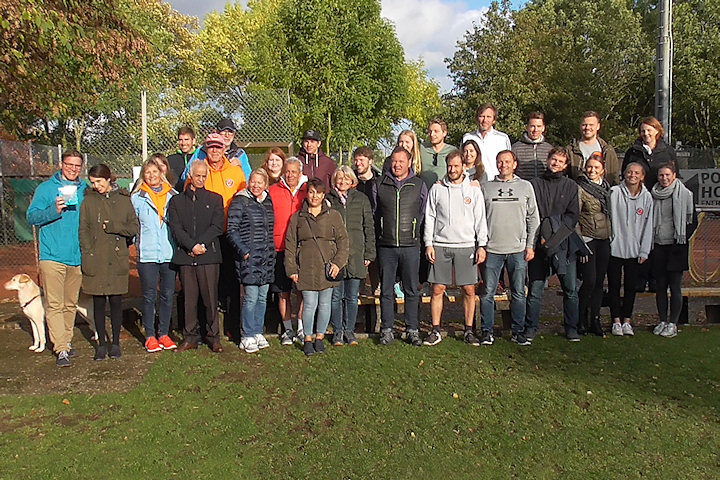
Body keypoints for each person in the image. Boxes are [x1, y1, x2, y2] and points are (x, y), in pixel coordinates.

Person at [27, 149, 88, 367]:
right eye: (69, 164)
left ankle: (66, 342)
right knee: (54, 304)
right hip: (52, 256)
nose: (73, 169)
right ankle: (60, 348)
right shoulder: (46, 189)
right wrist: (53, 210)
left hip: (77, 256)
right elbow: (31, 216)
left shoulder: (85, 189)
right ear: (61, 164)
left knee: (70, 304)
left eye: (77, 165)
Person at [423, 150, 487, 346]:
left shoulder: (474, 190)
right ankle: (435, 330)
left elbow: (480, 219)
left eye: (456, 166)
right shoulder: (437, 189)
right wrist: (428, 243)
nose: (452, 170)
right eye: (449, 166)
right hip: (441, 244)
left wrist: (481, 245)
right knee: (437, 289)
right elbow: (430, 217)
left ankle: (469, 330)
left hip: (466, 245)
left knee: (468, 289)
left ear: (464, 167)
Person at [525, 147, 587, 342]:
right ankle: (531, 328)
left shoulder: (571, 186)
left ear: (565, 165)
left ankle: (571, 328)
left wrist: (552, 240)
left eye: (560, 161)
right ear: (548, 160)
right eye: (553, 159)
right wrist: (542, 239)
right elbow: (531, 212)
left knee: (570, 289)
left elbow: (572, 217)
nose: (556, 163)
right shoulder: (534, 184)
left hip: (563, 244)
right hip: (538, 243)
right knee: (535, 290)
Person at [79, 164, 138, 361]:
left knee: (115, 301)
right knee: (98, 302)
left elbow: (133, 227)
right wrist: (88, 251)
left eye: (99, 181)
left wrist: (114, 227)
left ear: (108, 179)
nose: (96, 186)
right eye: (92, 182)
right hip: (96, 259)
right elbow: (83, 229)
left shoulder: (123, 200)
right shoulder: (88, 201)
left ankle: (116, 344)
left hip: (116, 258)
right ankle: (101, 344)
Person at [480, 150, 539, 346]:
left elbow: (533, 218)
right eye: (499, 162)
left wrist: (529, 245)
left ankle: (517, 331)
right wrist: (482, 245)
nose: (503, 165)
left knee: (519, 293)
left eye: (507, 161)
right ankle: (487, 331)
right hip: (492, 249)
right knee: (488, 293)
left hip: (517, 249)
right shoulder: (486, 187)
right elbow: (479, 218)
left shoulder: (525, 187)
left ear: (514, 164)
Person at [285, 178, 349, 356]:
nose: (314, 196)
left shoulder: (333, 216)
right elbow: (290, 245)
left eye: (318, 193)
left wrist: (338, 263)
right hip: (306, 267)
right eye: (311, 192)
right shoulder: (297, 218)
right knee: (309, 304)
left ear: (323, 195)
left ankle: (320, 337)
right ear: (307, 194)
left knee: (325, 304)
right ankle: (307, 338)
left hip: (327, 267)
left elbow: (343, 241)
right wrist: (292, 269)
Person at [372, 146, 428, 346]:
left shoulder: (419, 184)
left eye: (401, 161)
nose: (397, 165)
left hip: (410, 245)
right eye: (394, 161)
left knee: (411, 290)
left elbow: (422, 212)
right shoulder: (380, 183)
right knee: (386, 290)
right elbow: (375, 212)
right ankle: (387, 329)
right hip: (386, 245)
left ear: (409, 163)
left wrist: (414, 232)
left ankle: (412, 329)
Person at [168, 160, 226, 353]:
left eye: (203, 176)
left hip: (208, 255)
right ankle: (190, 337)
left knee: (210, 298)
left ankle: (213, 337)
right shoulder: (176, 201)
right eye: (197, 176)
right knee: (189, 299)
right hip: (186, 256)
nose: (200, 179)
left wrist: (201, 245)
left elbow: (217, 226)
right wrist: (190, 245)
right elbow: (176, 228)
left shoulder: (215, 199)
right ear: (190, 176)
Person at [195, 132, 247, 340]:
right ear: (206, 149)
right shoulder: (201, 171)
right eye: (211, 147)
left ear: (225, 148)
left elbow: (244, 199)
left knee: (232, 282)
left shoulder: (235, 171)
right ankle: (206, 329)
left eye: (218, 147)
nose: (215, 151)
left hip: (230, 234)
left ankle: (232, 328)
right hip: (208, 235)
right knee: (207, 284)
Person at [131, 156, 178, 353]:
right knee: (149, 296)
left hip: (169, 253)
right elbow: (133, 226)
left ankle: (164, 333)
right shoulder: (137, 198)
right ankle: (150, 335)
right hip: (147, 255)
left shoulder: (173, 196)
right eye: (147, 173)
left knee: (167, 295)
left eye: (155, 172)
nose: (151, 176)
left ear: (161, 173)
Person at [227, 168, 276, 353]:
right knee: (251, 297)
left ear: (265, 184)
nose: (256, 185)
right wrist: (244, 251)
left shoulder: (268, 201)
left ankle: (257, 331)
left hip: (266, 257)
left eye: (259, 182)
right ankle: (246, 334)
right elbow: (232, 230)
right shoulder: (240, 201)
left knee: (262, 297)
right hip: (249, 257)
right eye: (253, 182)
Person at [327, 166, 375, 346]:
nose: (343, 182)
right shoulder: (328, 200)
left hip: (356, 254)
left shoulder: (361, 199)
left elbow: (368, 227)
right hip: (335, 256)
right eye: (340, 178)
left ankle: (350, 331)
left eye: (346, 178)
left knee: (352, 297)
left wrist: (369, 253)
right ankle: (337, 331)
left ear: (352, 181)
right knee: (336, 297)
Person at [607, 162, 653, 336]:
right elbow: (608, 217)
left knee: (631, 287)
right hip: (614, 249)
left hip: (635, 251)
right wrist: (610, 241)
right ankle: (615, 321)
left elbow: (648, 225)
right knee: (613, 286)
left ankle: (627, 320)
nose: (632, 175)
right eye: (629, 172)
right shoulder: (614, 192)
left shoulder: (647, 197)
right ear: (624, 174)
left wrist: (644, 250)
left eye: (636, 173)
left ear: (642, 176)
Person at [650, 163, 695, 338]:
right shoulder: (653, 194)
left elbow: (692, 221)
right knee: (660, 286)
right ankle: (662, 320)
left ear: (674, 175)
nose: (664, 178)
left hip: (677, 247)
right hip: (658, 245)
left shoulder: (685, 194)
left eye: (668, 175)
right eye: (661, 175)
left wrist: (681, 238)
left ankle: (673, 323)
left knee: (675, 287)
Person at [269, 157, 308, 344]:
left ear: (300, 173)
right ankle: (287, 330)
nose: (290, 175)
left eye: (294, 172)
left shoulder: (307, 191)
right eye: (288, 171)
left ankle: (301, 328)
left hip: (302, 249)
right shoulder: (273, 191)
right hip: (279, 247)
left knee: (302, 291)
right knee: (283, 292)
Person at [576, 152, 612, 337]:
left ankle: (595, 320)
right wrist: (581, 244)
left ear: (602, 170)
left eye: (596, 167)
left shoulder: (608, 189)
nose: (592, 170)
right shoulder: (580, 188)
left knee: (599, 282)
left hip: (604, 239)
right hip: (588, 240)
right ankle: (580, 318)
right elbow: (575, 218)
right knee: (589, 281)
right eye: (589, 167)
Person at [622, 116, 678, 190]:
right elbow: (625, 175)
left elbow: (676, 174)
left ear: (657, 131)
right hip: (639, 193)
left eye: (649, 130)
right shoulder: (632, 152)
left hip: (663, 193)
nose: (646, 133)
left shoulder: (668, 151)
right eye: (643, 131)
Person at [566, 111, 621, 185]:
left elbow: (615, 177)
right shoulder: (570, 151)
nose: (587, 128)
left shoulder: (608, 150)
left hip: (603, 190)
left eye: (591, 125)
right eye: (584, 125)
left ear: (598, 126)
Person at [463, 103, 512, 181]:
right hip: (473, 182)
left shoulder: (502, 138)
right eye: (482, 116)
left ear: (494, 120)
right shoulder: (467, 137)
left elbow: (509, 163)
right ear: (477, 118)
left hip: (496, 183)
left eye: (488, 117)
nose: (485, 120)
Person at [512, 111, 554, 180]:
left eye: (539, 126)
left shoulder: (549, 149)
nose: (535, 130)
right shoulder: (515, 148)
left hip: (544, 185)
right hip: (523, 185)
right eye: (532, 126)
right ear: (527, 127)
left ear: (543, 128)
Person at [419, 118, 456, 187]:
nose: (432, 134)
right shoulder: (421, 148)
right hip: (423, 190)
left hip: (444, 190)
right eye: (430, 131)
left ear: (444, 133)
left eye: (436, 131)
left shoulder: (452, 151)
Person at [167, 126, 197, 192]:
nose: (183, 143)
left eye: (186, 139)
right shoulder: (171, 160)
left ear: (193, 141)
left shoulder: (199, 157)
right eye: (181, 140)